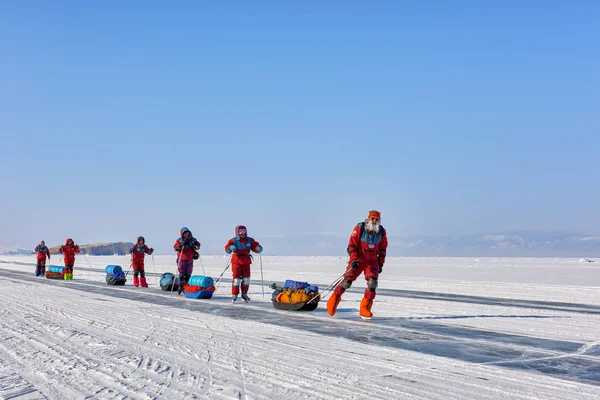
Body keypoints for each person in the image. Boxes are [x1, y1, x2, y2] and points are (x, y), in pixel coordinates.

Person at [327, 210, 388, 319]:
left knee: (372, 283)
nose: (374, 221)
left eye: (376, 219)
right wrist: (354, 259)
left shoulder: (381, 232)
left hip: (372, 261)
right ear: (368, 218)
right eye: (372, 218)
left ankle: (365, 308)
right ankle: (335, 297)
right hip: (359, 259)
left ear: (379, 220)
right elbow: (352, 245)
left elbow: (383, 249)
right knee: (347, 282)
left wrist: (380, 264)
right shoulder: (360, 228)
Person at [225, 225, 263, 303]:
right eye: (240, 231)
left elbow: (255, 246)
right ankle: (234, 294)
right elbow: (227, 249)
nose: (242, 233)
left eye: (244, 231)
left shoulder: (250, 240)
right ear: (237, 232)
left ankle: (244, 294)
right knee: (236, 279)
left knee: (246, 279)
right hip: (236, 261)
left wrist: (258, 248)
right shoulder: (233, 240)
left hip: (246, 261)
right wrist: (230, 248)